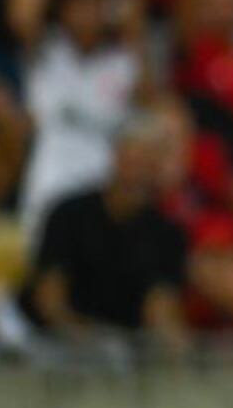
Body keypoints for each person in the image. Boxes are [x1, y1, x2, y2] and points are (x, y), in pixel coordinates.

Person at [28, 112, 192, 346]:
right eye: (131, 155)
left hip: (127, 358)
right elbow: (49, 298)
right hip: (58, 348)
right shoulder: (68, 214)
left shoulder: (168, 235)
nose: (136, 168)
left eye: (147, 158)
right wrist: (87, 340)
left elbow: (161, 307)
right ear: (116, 155)